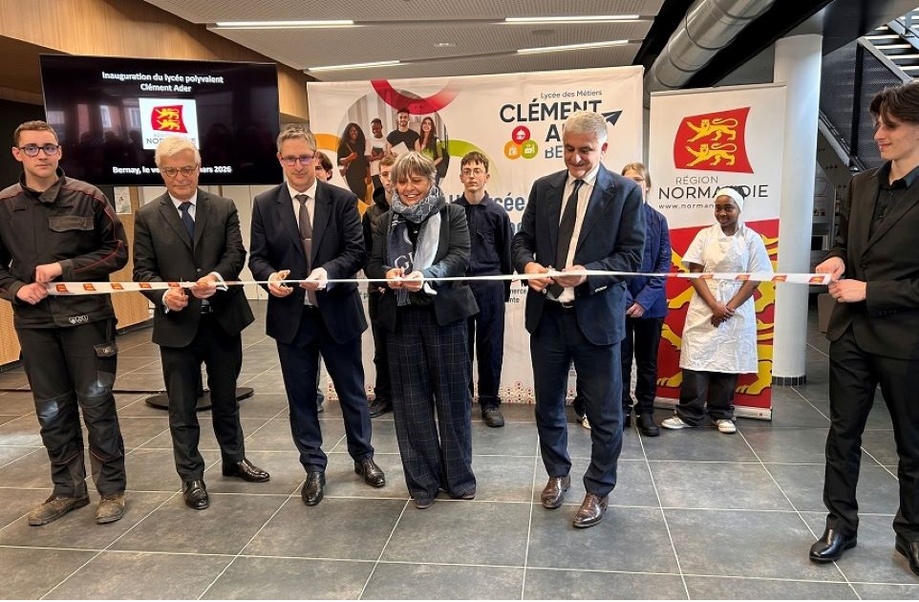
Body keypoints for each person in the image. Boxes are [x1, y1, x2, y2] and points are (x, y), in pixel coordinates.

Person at [511, 111, 645, 529]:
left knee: (605, 413)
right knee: (548, 405)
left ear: (603, 148)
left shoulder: (625, 193)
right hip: (548, 317)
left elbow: (631, 257)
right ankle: (557, 472)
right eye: (569, 149)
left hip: (597, 319)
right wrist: (528, 266)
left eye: (585, 150)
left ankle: (598, 488)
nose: (576, 158)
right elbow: (522, 240)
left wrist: (588, 274)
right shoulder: (543, 188)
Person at [809, 81, 919, 576]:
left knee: (912, 443)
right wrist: (835, 261)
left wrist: (870, 291)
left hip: (906, 339)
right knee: (842, 434)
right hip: (851, 335)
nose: (878, 133)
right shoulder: (860, 184)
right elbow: (844, 245)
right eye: (877, 123)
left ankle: (912, 533)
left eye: (890, 125)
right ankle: (840, 523)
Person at [0, 120, 129, 525]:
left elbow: (118, 252)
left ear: (60, 152)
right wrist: (16, 288)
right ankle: (68, 491)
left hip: (87, 319)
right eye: (33, 149)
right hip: (35, 324)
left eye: (49, 148)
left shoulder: (87, 197)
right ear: (17, 154)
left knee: (96, 403)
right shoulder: (3, 205)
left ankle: (111, 489)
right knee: (52, 411)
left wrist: (65, 267)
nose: (42, 155)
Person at [249, 124, 384, 507]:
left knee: (352, 392)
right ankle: (313, 466)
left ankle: (364, 457)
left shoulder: (341, 200)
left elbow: (356, 252)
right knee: (301, 397)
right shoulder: (264, 204)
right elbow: (257, 257)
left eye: (304, 157)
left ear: (315, 158)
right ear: (280, 160)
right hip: (292, 318)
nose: (297, 165)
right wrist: (267, 278)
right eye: (289, 158)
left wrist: (328, 273)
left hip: (337, 311)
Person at [132, 136, 269, 510]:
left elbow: (235, 253)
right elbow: (142, 270)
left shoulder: (222, 207)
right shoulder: (147, 216)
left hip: (222, 320)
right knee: (182, 406)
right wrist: (163, 296)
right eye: (172, 170)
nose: (181, 177)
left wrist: (215, 277)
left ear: (199, 167)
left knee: (227, 398)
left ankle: (234, 459)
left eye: (187, 168)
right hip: (177, 326)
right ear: (162, 173)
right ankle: (191, 476)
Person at [365, 151, 478, 509]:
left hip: (445, 318)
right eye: (402, 181)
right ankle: (423, 483)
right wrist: (387, 273)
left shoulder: (453, 213)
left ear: (432, 180)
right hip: (401, 322)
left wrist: (427, 276)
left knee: (453, 401)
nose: (409, 188)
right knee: (411, 405)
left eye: (417, 180)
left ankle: (458, 479)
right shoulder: (384, 221)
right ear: (393, 183)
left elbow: (460, 256)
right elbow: (371, 262)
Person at [660, 186, 771, 435]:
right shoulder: (704, 236)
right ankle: (689, 413)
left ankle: (722, 413)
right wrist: (714, 305)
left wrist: (728, 308)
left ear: (739, 209)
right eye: (718, 207)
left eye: (728, 208)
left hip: (737, 306)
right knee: (696, 359)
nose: (722, 213)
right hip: (705, 304)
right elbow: (695, 272)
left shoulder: (751, 238)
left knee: (727, 360)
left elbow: (754, 279)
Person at [572, 163, 671, 437]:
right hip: (618, 304)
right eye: (628, 180)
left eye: (639, 180)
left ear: (647, 185)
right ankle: (622, 407)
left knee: (648, 362)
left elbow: (664, 264)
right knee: (620, 360)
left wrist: (645, 301)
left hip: (651, 307)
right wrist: (627, 300)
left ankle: (646, 410)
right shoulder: (614, 220)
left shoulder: (659, 220)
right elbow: (613, 263)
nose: (634, 185)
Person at [454, 151, 513, 428]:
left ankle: (490, 402)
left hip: (490, 286)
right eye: (467, 170)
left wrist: (503, 291)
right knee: (460, 347)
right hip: (459, 288)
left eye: (477, 170)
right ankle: (463, 400)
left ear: (486, 176)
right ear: (460, 176)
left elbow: (507, 255)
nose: (472, 175)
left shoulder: (498, 214)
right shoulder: (451, 212)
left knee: (491, 347)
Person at [363, 154, 396, 418]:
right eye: (384, 174)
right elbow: (365, 255)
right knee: (382, 349)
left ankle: (412, 397)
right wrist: (381, 279)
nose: (389, 180)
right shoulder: (370, 214)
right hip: (380, 291)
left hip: (411, 290)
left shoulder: (417, 207)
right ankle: (383, 397)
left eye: (393, 173)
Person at [337, 122, 369, 202]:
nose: (354, 133)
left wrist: (368, 175)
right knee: (354, 196)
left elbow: (365, 161)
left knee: (363, 196)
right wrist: (349, 158)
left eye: (356, 131)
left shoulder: (361, 144)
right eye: (351, 131)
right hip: (351, 174)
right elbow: (339, 161)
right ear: (348, 132)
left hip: (362, 174)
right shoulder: (344, 145)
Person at [415, 116, 443, 183]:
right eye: (425, 123)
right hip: (421, 171)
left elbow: (440, 157)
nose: (426, 125)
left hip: (432, 171)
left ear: (432, 127)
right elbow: (417, 157)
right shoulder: (418, 141)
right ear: (422, 125)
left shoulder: (437, 141)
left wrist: (431, 165)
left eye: (429, 124)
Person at [366, 118, 386, 192]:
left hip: (385, 170)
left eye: (377, 128)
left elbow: (387, 156)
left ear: (381, 127)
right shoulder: (369, 141)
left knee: (386, 191)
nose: (375, 131)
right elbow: (367, 158)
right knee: (379, 192)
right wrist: (378, 157)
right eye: (373, 129)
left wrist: (375, 156)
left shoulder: (386, 140)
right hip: (374, 171)